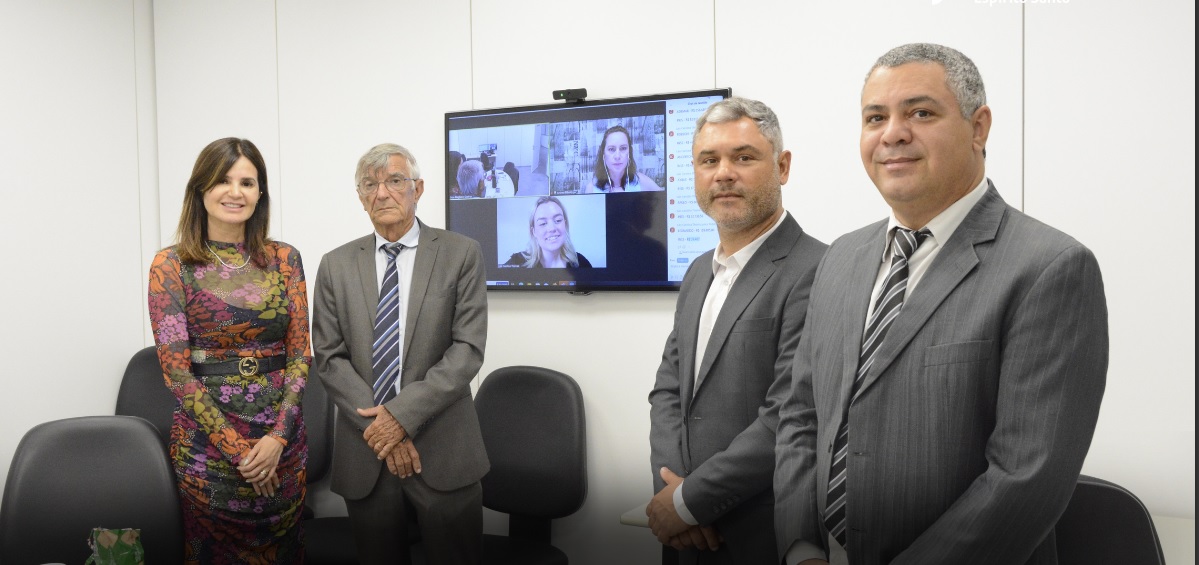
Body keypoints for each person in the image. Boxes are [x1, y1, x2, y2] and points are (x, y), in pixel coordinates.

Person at [773, 43, 1108, 565]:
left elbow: (1025, 477)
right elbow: (801, 416)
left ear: (979, 128)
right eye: (875, 117)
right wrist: (800, 547)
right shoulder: (840, 258)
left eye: (921, 113)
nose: (893, 134)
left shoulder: (1050, 267)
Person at [646, 97, 827, 564]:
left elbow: (788, 414)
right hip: (684, 534)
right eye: (709, 160)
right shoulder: (696, 275)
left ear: (782, 167)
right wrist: (671, 491)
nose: (723, 173)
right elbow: (668, 391)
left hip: (760, 533)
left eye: (743, 157)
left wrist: (689, 502)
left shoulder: (819, 270)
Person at [312, 143, 489, 564]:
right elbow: (329, 357)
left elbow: (467, 350)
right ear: (360, 198)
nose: (382, 192)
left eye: (394, 180)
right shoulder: (335, 265)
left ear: (418, 188)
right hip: (366, 454)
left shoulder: (461, 253)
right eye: (369, 185)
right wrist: (384, 431)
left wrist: (400, 418)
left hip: (445, 450)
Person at [147, 137, 310, 564]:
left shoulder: (285, 259)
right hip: (209, 453)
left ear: (260, 194)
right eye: (223, 180)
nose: (235, 192)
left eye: (247, 182)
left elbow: (299, 356)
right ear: (201, 189)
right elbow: (176, 374)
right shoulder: (172, 265)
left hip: (282, 448)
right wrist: (239, 452)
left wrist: (277, 439)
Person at [503, 195, 593, 268]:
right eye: (543, 223)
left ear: (565, 225)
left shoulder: (581, 263)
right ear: (533, 231)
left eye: (558, 220)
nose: (552, 228)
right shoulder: (516, 262)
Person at [586, 124, 663, 193]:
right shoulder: (592, 188)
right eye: (611, 149)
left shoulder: (643, 182)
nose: (617, 156)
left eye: (623, 148)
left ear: (629, 152)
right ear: (603, 154)